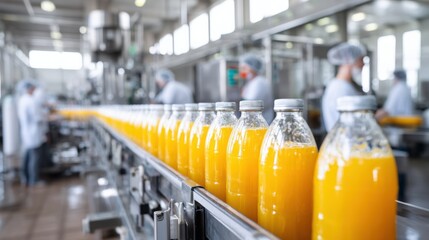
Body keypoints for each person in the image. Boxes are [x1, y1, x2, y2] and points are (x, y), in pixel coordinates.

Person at [322, 43, 366, 131]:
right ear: (349, 60)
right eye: (360, 60)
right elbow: (350, 123)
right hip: (345, 142)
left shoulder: (343, 85)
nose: (363, 64)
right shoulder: (340, 88)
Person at [17, 82, 46, 186]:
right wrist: (46, 118)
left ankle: (25, 178)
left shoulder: (23, 99)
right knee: (34, 157)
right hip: (33, 132)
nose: (34, 90)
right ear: (29, 89)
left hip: (27, 132)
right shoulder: (30, 101)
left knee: (27, 156)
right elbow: (37, 117)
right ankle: (34, 180)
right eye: (33, 88)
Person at [239, 54, 274, 123]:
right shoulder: (250, 82)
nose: (242, 72)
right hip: (253, 122)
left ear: (253, 68)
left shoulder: (260, 82)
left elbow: (251, 105)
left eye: (245, 68)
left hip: (263, 121)